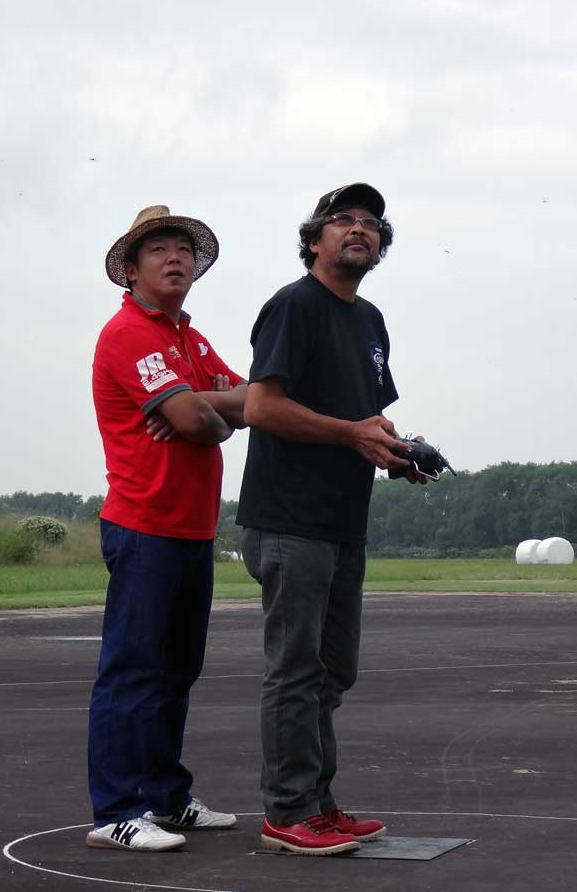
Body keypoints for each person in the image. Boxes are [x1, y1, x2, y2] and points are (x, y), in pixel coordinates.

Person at [237, 183, 427, 855]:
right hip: (289, 519)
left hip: (343, 520)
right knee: (295, 669)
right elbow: (260, 407)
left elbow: (367, 417)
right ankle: (286, 811)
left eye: (371, 222)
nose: (358, 229)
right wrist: (352, 434)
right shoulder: (294, 306)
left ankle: (318, 804)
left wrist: (395, 451)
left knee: (331, 672)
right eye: (342, 219)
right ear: (314, 240)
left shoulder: (369, 319)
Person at [86, 205, 246, 852]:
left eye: (183, 247)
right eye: (157, 249)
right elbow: (200, 423)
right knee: (133, 672)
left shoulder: (190, 339)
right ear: (132, 270)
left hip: (192, 530)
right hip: (144, 527)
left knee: (177, 672)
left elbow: (253, 399)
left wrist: (204, 403)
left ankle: (166, 797)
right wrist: (208, 410)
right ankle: (117, 811)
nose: (175, 257)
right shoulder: (129, 333)